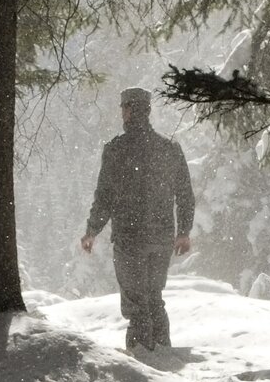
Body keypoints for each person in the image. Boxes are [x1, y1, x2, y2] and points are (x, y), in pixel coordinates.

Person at [80, 87, 194, 352]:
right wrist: (183, 231)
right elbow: (185, 194)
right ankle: (163, 352)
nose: (122, 113)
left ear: (129, 110)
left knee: (136, 303)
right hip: (162, 238)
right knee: (154, 298)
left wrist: (92, 230)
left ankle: (143, 361)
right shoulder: (169, 148)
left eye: (123, 108)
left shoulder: (116, 150)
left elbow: (105, 196)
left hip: (130, 238)